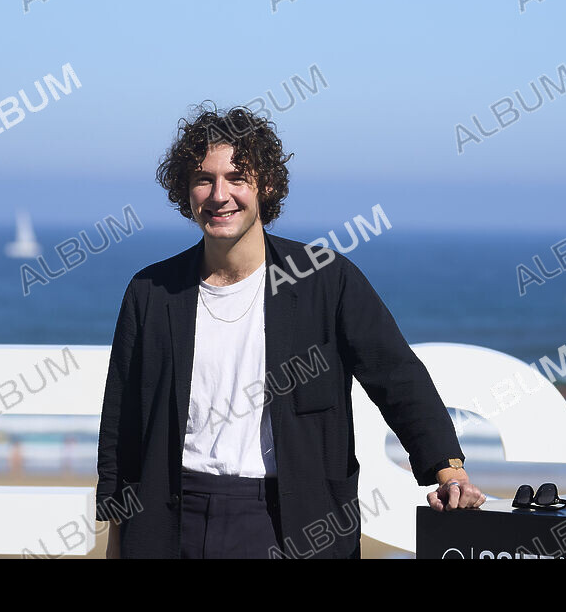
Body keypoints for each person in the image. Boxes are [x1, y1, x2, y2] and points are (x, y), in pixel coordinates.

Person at [96, 102, 484, 559]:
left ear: (267, 184)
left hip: (289, 518)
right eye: (204, 179)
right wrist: (118, 539)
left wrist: (448, 469)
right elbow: (121, 427)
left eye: (237, 178)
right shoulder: (150, 291)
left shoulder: (326, 278)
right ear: (187, 191)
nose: (220, 195)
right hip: (170, 516)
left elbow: (397, 376)